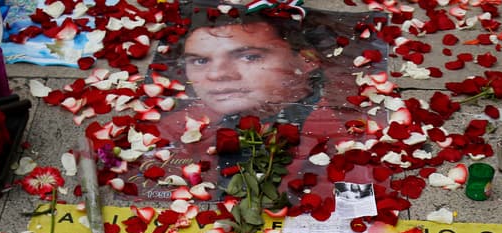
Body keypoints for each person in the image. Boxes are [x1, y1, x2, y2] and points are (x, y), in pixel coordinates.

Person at [151, 10, 364, 195]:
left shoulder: (353, 133)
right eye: (200, 61)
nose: (217, 74)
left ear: (306, 60)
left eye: (249, 57)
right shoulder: (171, 131)